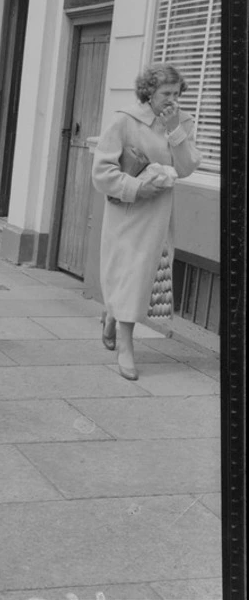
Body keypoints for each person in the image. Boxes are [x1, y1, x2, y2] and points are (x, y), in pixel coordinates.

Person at [92, 63, 202, 381]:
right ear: (148, 92)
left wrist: (175, 133)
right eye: (165, 93)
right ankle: (126, 347)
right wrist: (138, 186)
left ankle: (114, 317)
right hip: (127, 212)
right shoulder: (125, 120)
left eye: (176, 94)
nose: (171, 100)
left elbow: (187, 168)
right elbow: (102, 171)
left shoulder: (181, 122)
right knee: (129, 276)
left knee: (140, 278)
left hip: (158, 216)